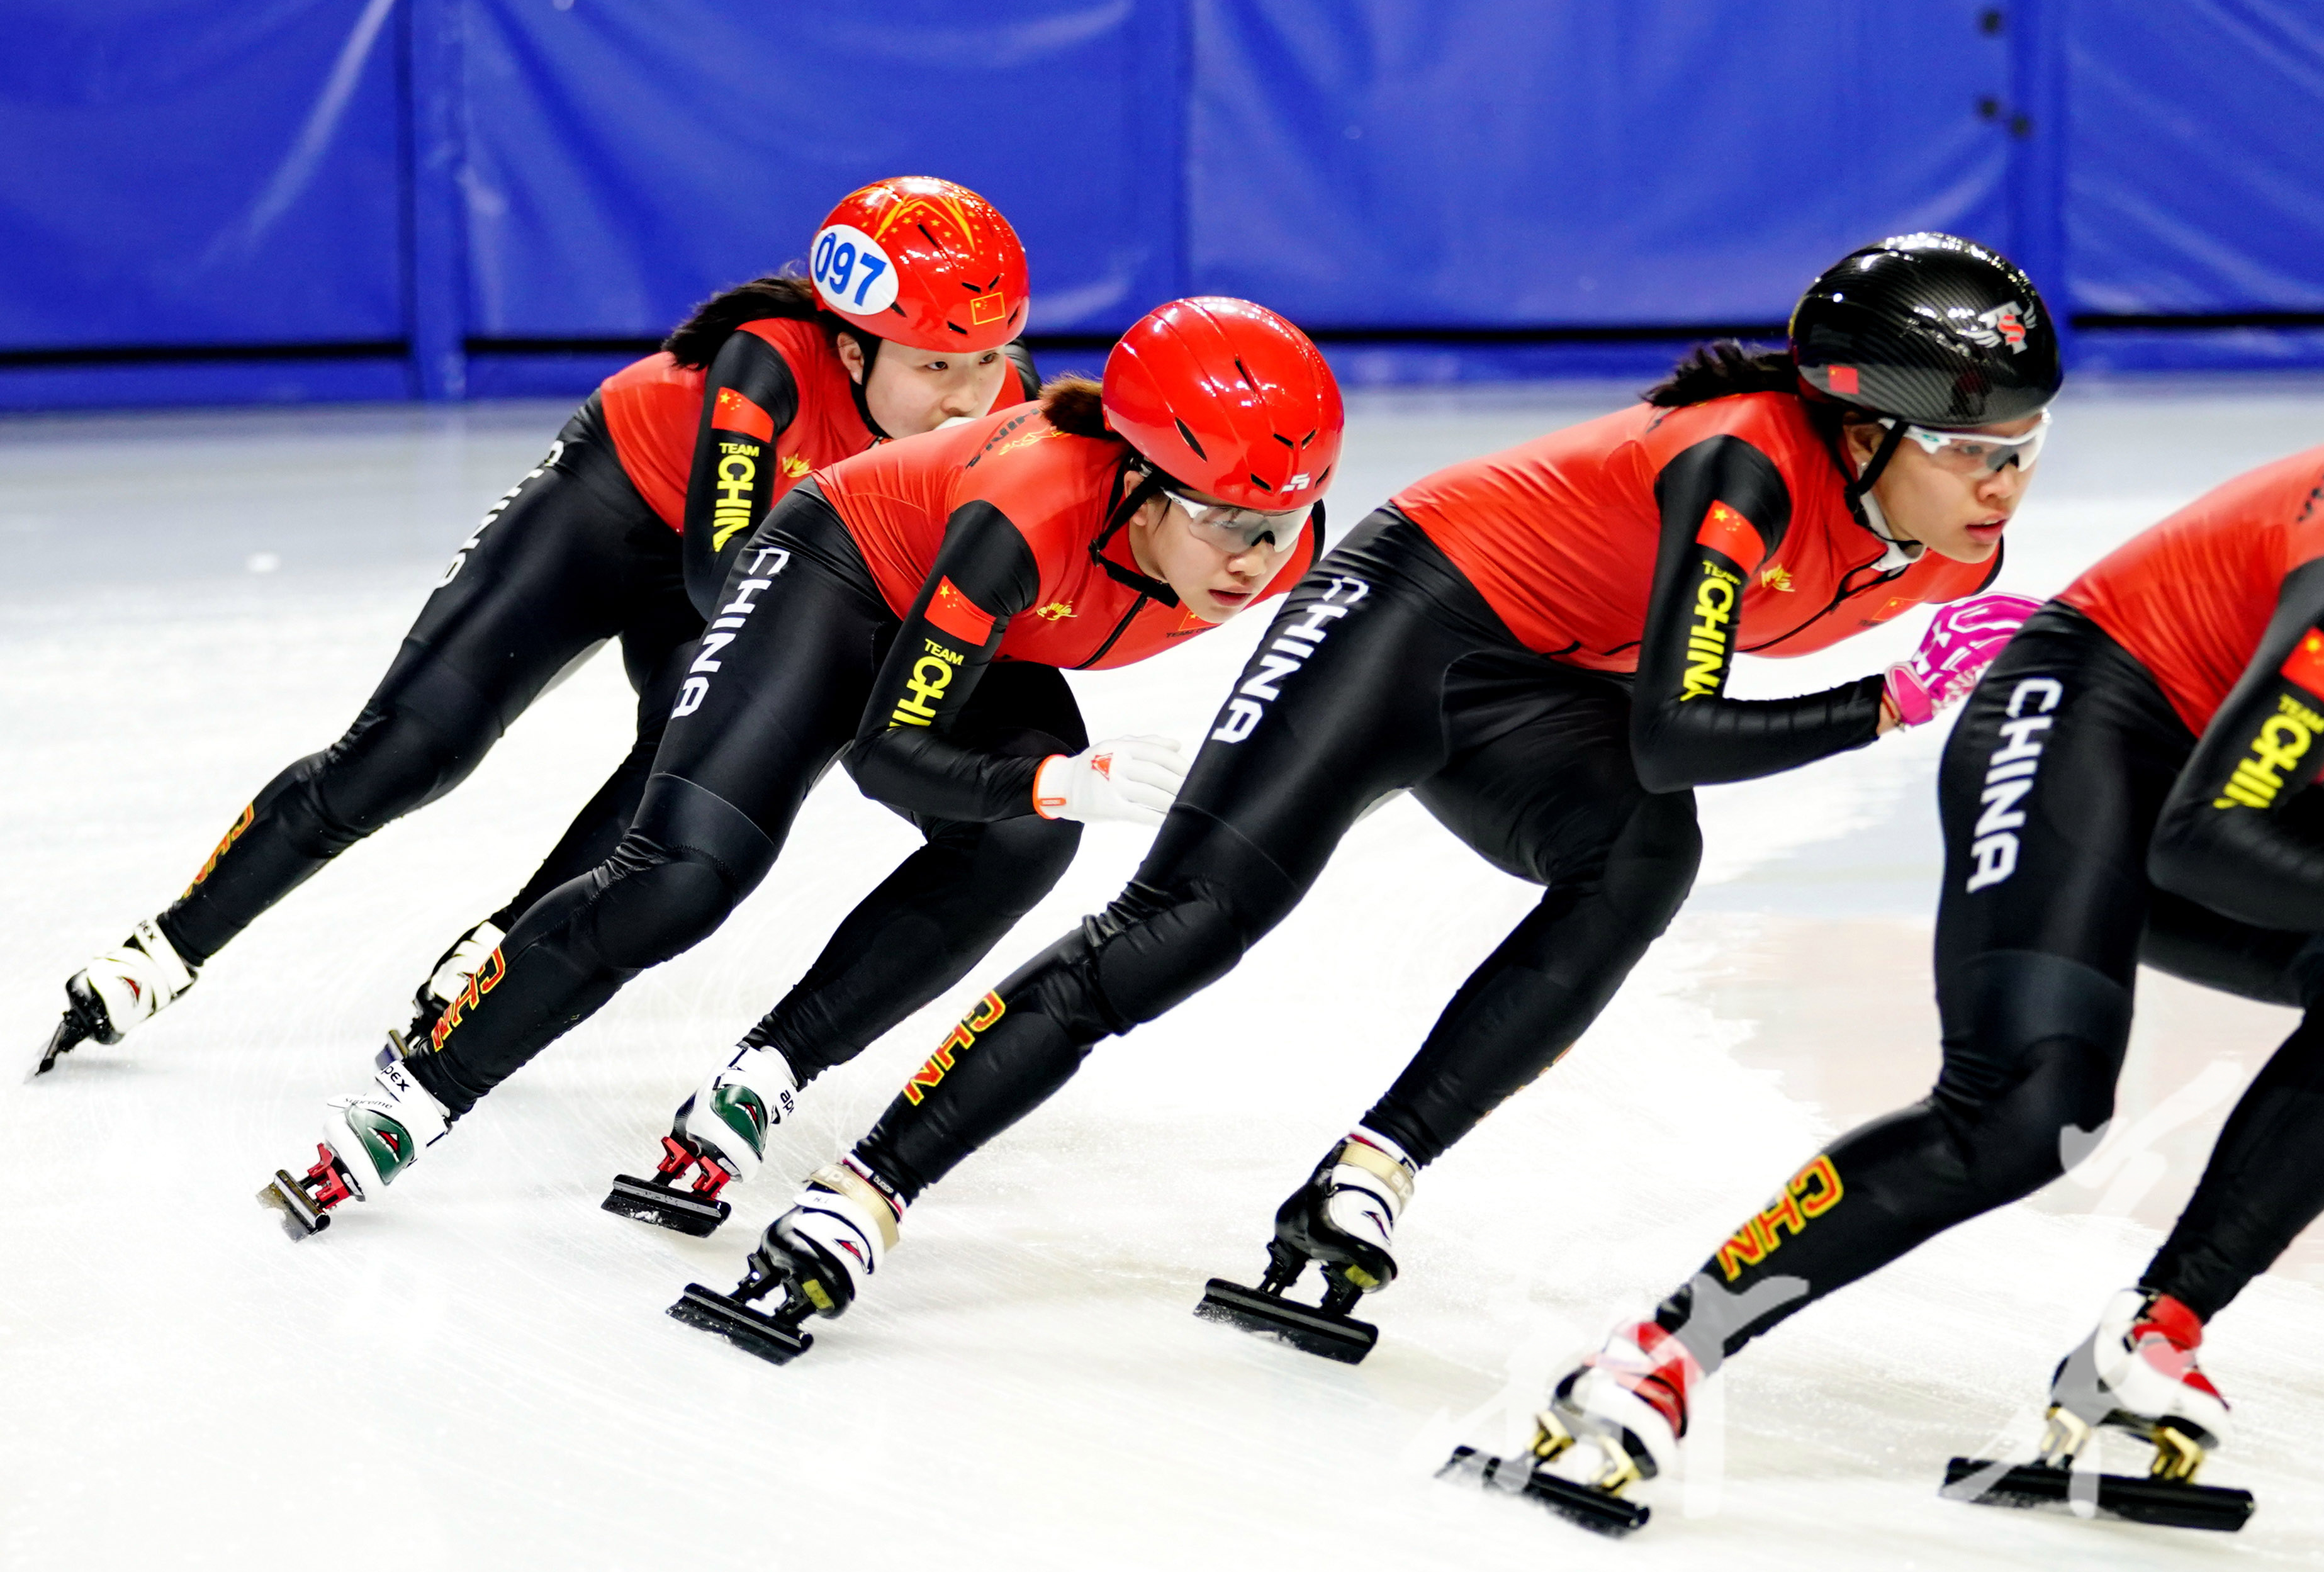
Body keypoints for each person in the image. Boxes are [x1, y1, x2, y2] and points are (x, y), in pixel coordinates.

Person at [673, 233, 2063, 1364]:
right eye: (1974, 450)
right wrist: (1888, 703)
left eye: (2024, 446)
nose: (2003, 481)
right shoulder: (1744, 468)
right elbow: (1677, 728)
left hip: (1536, 683)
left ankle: (1369, 1171)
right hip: (1406, 616)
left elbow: (1645, 752)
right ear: (1860, 432)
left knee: (1638, 862)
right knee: (1189, 923)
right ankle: (862, 1193)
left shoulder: (1951, 557)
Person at [1509, 310, 2324, 1520]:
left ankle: (2147, 1342)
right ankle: (1654, 1353)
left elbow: (2239, 812)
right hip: (2075, 721)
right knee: (2023, 1113)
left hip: (2195, 766)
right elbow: (2205, 836)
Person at [260, 297, 1342, 1242]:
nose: (1255, 560)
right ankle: (420, 1094)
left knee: (1021, 842)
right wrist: (1056, 779)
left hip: (971, 630)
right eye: (1227, 523)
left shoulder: (1280, 544)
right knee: (685, 877)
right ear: (1141, 490)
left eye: (1281, 523)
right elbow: (885, 755)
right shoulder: (1027, 515)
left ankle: (766, 1074)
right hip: (835, 582)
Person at [35, 176, 1036, 1078]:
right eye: (935, 366)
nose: (968, 396)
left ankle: (501, 948)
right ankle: (164, 949)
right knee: (410, 751)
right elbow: (717, 567)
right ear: (851, 345)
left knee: (687, 761)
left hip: (745, 567)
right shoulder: (767, 359)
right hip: (605, 518)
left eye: (989, 360)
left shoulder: (1005, 415)